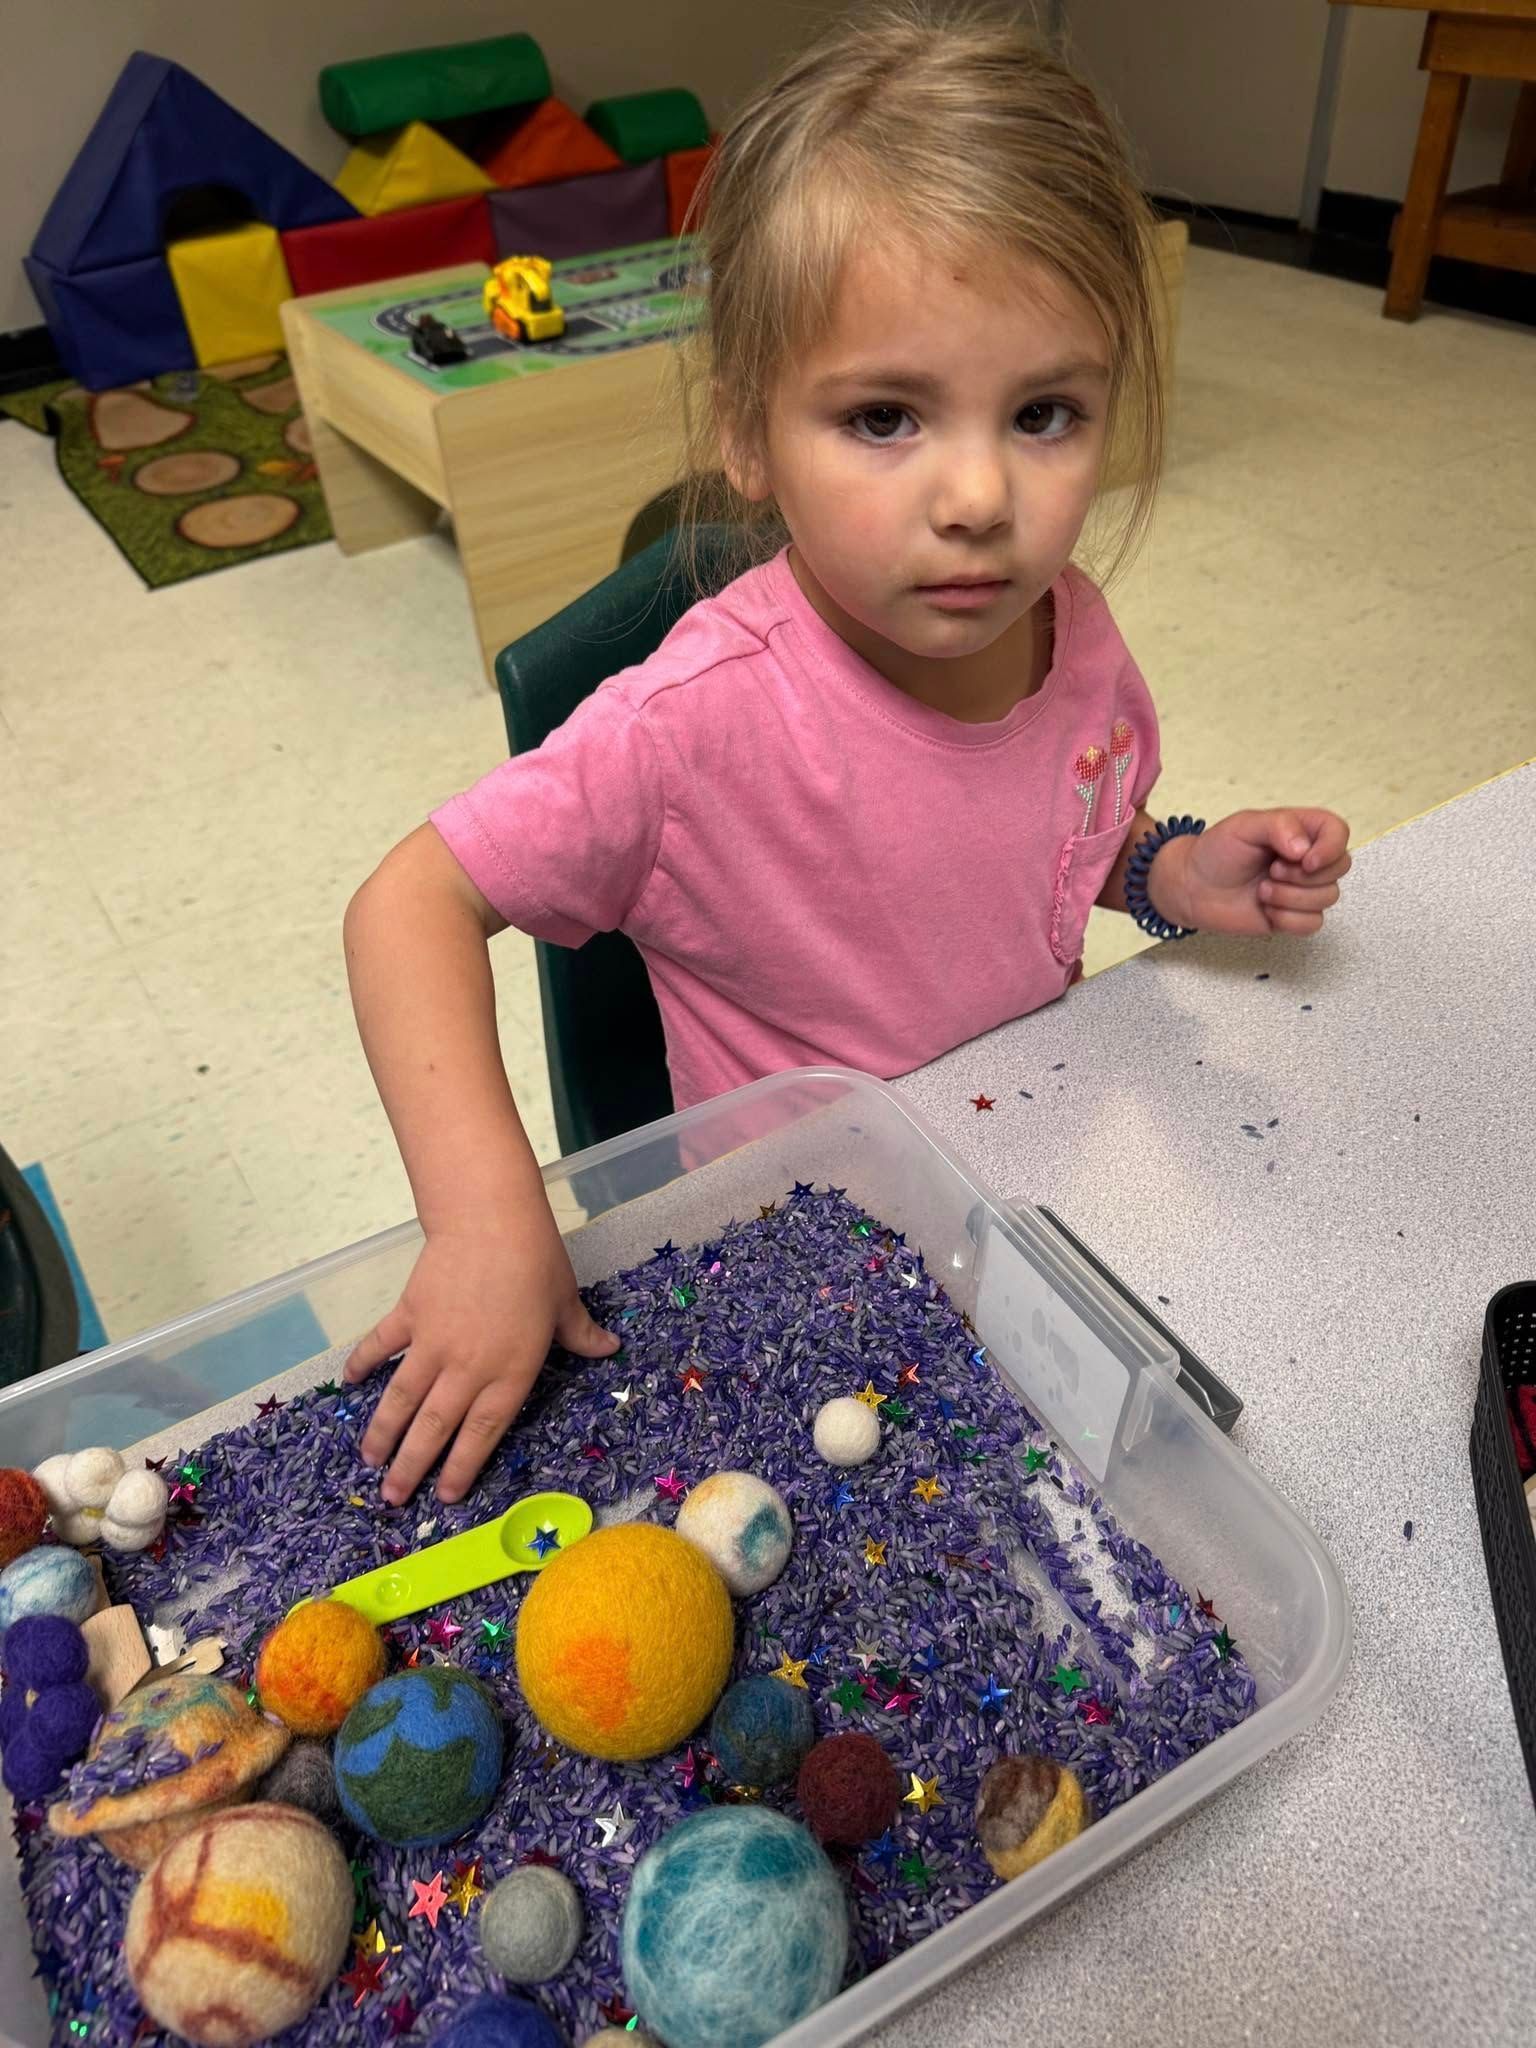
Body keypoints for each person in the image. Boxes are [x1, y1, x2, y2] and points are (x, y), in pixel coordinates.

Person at [342, 2, 1350, 1506]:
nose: (978, 495)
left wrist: (1174, 870)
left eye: (1044, 413)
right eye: (885, 415)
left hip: (1022, 1185)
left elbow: (1067, 844)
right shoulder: (693, 727)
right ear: (748, 431)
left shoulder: (1072, 634)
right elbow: (406, 904)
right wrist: (489, 1216)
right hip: (786, 1268)